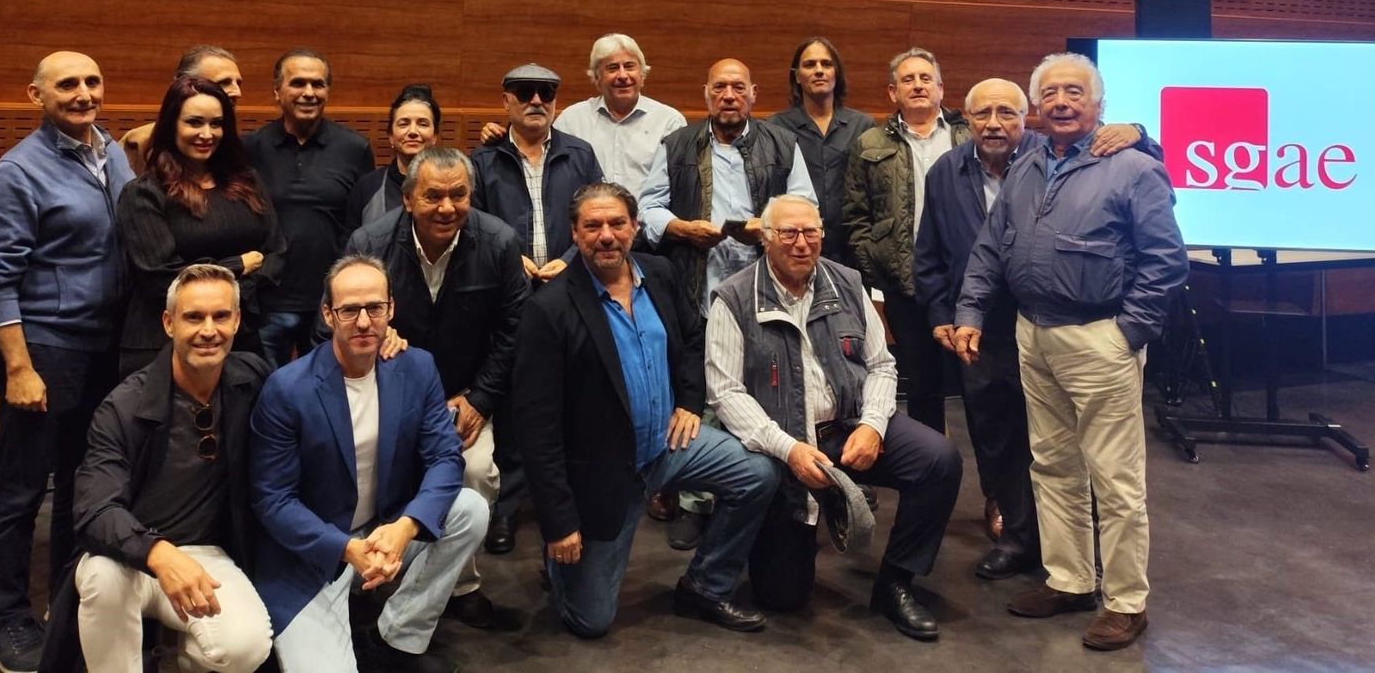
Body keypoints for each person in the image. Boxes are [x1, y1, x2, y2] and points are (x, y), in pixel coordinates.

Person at [953, 52, 1187, 651]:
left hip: (1099, 338)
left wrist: (1127, 332)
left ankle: (1126, 602)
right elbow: (990, 246)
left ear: (1099, 103)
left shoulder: (1133, 168)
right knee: (1053, 465)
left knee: (1115, 477)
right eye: (1051, 92)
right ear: (1037, 105)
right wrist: (970, 312)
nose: (1061, 102)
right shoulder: (1027, 164)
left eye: (1075, 92)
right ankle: (1071, 579)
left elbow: (1166, 261)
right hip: (1033, 334)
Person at [915, 78, 1156, 582]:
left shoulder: (1053, 157)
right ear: (965, 119)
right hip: (983, 332)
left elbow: (1142, 178)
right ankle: (1020, 539)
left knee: (1077, 447)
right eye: (983, 114)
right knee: (1000, 439)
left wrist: (1139, 131)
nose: (994, 124)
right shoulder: (945, 172)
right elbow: (933, 253)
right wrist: (947, 314)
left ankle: (1087, 554)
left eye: (1007, 112)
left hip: (1059, 324)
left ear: (1027, 118)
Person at [512, 183, 778, 638]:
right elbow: (537, 429)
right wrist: (558, 523)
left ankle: (706, 585)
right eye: (592, 226)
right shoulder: (547, 310)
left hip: (667, 446)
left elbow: (693, 337)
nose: (606, 235)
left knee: (758, 473)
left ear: (635, 227)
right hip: (604, 475)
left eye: (617, 223)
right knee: (590, 621)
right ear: (574, 233)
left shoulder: (659, 273)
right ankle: (560, 565)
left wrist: (689, 402)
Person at [707, 195, 962, 641]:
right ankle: (779, 522)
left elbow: (881, 365)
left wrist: (872, 426)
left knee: (938, 459)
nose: (801, 243)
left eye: (811, 232)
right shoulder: (734, 297)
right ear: (766, 238)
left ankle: (895, 583)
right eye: (788, 233)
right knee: (782, 596)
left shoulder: (848, 283)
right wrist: (788, 449)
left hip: (847, 428)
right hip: (782, 448)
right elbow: (725, 392)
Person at [0, 52, 133, 673]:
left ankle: (66, 601)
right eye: (67, 84)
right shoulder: (19, 170)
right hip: (46, 349)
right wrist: (18, 367)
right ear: (35, 94)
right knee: (20, 492)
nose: (83, 93)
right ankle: (8, 621)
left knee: (80, 482)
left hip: (105, 346)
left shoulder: (111, 152)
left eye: (93, 81)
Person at [250, 255, 485, 673]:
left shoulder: (416, 367)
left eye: (374, 308)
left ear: (391, 309)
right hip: (314, 555)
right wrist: (346, 549)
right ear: (328, 315)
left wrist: (405, 527)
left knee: (471, 509)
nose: (363, 322)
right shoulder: (287, 389)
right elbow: (273, 501)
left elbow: (445, 456)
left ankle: (395, 640)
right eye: (349, 310)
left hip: (384, 530)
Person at [46, 264, 273, 673]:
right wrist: (157, 553)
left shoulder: (250, 379)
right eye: (194, 317)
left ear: (237, 321)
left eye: (221, 316)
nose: (209, 330)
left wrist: (379, 345)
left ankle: (172, 660)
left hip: (206, 554)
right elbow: (94, 511)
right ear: (169, 323)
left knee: (247, 649)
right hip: (127, 557)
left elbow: (311, 382)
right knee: (101, 578)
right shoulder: (123, 406)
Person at [342, 147, 529, 625]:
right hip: (390, 396)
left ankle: (458, 588)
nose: (447, 207)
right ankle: (373, 578)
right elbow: (337, 321)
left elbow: (515, 330)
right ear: (408, 199)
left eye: (458, 195)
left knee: (475, 474)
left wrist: (480, 399)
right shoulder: (370, 243)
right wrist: (377, 331)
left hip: (467, 393)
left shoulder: (499, 242)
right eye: (433, 196)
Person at [116, 78, 285, 376]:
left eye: (216, 124)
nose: (207, 134)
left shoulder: (246, 181)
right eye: (194, 122)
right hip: (164, 345)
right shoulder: (144, 192)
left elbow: (276, 253)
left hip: (240, 336)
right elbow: (160, 277)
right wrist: (238, 265)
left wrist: (233, 292)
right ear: (171, 125)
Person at [842, 48, 968, 436]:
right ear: (892, 92)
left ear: (941, 88)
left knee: (979, 385)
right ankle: (934, 463)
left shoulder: (968, 136)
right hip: (905, 284)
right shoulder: (869, 143)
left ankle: (992, 472)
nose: (917, 85)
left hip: (968, 282)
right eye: (908, 79)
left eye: (925, 78)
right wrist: (878, 269)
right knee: (922, 384)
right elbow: (856, 215)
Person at [639, 57, 817, 314]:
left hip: (769, 285)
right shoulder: (676, 145)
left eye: (738, 87)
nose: (729, 96)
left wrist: (768, 227)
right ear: (706, 94)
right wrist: (685, 229)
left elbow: (806, 208)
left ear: (753, 93)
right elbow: (648, 208)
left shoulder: (783, 144)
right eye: (719, 87)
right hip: (696, 288)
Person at [245, 49, 374, 366]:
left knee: (327, 386)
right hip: (268, 301)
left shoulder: (355, 149)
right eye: (298, 83)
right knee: (266, 387)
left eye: (318, 84)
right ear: (277, 91)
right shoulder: (250, 148)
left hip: (330, 303)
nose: (309, 92)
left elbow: (360, 225)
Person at [470, 63, 603, 284]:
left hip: (571, 281)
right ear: (506, 101)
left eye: (546, 94)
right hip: (505, 283)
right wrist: (509, 258)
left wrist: (571, 260)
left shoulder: (581, 154)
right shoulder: (483, 160)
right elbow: (473, 225)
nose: (537, 101)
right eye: (525, 93)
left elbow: (599, 216)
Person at [766, 37, 873, 269]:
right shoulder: (775, 128)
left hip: (852, 247)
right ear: (797, 76)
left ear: (836, 73)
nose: (819, 70)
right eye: (810, 64)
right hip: (796, 245)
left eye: (826, 64)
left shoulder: (863, 126)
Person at [553, 34, 688, 195]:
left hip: (647, 212)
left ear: (642, 74)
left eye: (630, 66)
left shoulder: (670, 122)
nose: (623, 76)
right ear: (596, 77)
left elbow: (680, 187)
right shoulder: (571, 121)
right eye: (612, 68)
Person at [120, 46, 244, 175]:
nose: (237, 93)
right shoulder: (141, 141)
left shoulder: (238, 143)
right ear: (184, 85)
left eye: (238, 83)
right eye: (224, 83)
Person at [344, 83, 441, 235]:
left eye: (422, 124)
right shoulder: (367, 187)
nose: (413, 131)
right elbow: (351, 244)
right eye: (404, 124)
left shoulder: (452, 186)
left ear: (435, 136)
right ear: (391, 136)